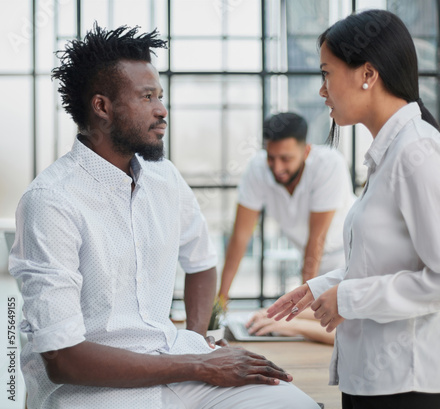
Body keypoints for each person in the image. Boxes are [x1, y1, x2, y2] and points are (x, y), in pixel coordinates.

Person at [8, 24, 320, 409]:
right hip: (89, 391)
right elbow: (63, 359)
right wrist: (198, 366)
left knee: (294, 405)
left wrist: (198, 340)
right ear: (102, 107)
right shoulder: (51, 201)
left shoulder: (163, 177)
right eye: (146, 97)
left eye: (160, 95)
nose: (162, 109)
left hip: (174, 360)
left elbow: (202, 262)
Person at [267, 9, 440, 409]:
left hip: (407, 383)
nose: (322, 90)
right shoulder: (391, 153)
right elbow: (384, 261)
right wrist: (318, 288)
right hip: (377, 379)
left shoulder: (415, 151)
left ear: (367, 74)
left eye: (327, 73)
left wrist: (348, 299)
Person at [218, 112, 355, 303]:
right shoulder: (257, 168)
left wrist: (300, 304)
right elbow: (240, 237)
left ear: (306, 151)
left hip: (349, 258)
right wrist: (221, 300)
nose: (277, 168)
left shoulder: (329, 164)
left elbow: (316, 240)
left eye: (286, 158)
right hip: (309, 260)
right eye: (271, 157)